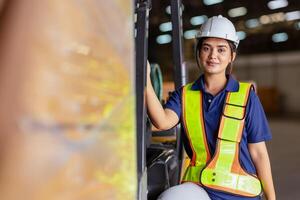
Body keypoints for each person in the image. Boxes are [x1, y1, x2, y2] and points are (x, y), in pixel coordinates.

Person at [146, 15, 276, 200]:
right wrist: (145, 81)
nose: (213, 55)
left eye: (221, 50)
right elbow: (162, 121)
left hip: (240, 194)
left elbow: (259, 153)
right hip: (200, 188)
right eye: (206, 48)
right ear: (198, 52)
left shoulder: (247, 96)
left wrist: (272, 198)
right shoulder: (185, 95)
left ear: (232, 56)